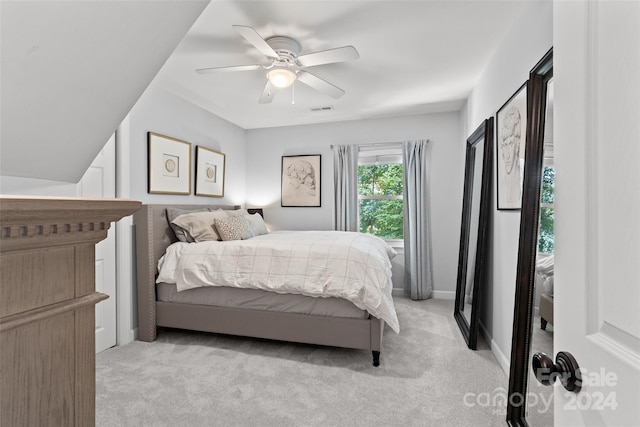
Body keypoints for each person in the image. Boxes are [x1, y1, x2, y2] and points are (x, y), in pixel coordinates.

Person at [500, 106, 523, 207]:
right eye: (505, 146)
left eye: (511, 144)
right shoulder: (502, 185)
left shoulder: (521, 180)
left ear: (517, 147)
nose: (508, 155)